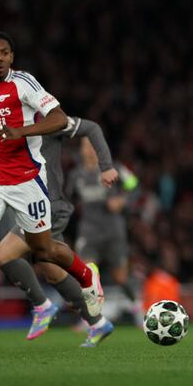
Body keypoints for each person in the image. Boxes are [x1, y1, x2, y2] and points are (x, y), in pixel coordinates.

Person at [0, 32, 105, 347]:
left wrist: (20, 132)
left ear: (12, 57)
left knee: (44, 250)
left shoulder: (23, 83)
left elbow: (59, 118)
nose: (0, 58)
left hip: (27, 181)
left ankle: (87, 277)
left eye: (6, 53)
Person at [0, 116, 118, 347]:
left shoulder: (47, 120)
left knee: (4, 254)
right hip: (31, 206)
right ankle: (98, 323)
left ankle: (42, 305)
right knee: (52, 272)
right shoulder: (7, 125)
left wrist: (106, 166)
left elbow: (91, 127)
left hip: (48, 207)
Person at [69, 139, 140, 324]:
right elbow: (67, 198)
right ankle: (90, 318)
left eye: (94, 145)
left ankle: (137, 308)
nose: (91, 150)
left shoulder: (113, 168)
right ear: (82, 150)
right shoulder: (76, 175)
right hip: (89, 232)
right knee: (86, 275)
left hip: (113, 231)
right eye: (86, 146)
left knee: (121, 277)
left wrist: (122, 201)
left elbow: (134, 185)